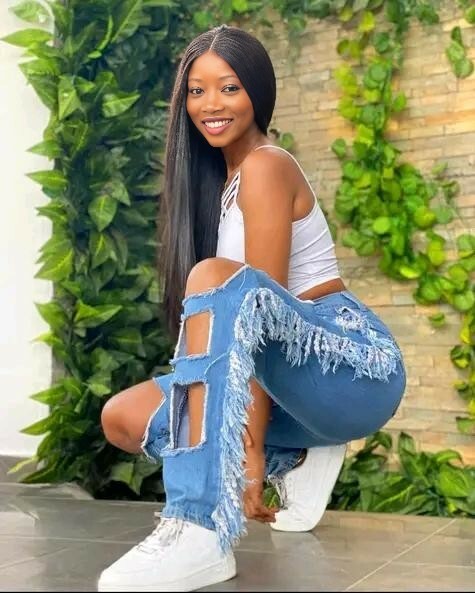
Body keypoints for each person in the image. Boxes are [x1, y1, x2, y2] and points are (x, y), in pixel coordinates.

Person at [97, 24, 406, 592]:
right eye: (197, 91)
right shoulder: (219, 185)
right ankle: (303, 453)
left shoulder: (266, 165)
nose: (210, 104)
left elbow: (258, 321)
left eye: (229, 88)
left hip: (350, 364)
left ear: (257, 93)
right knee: (122, 415)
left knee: (214, 277)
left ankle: (199, 529)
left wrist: (250, 454)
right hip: (294, 388)